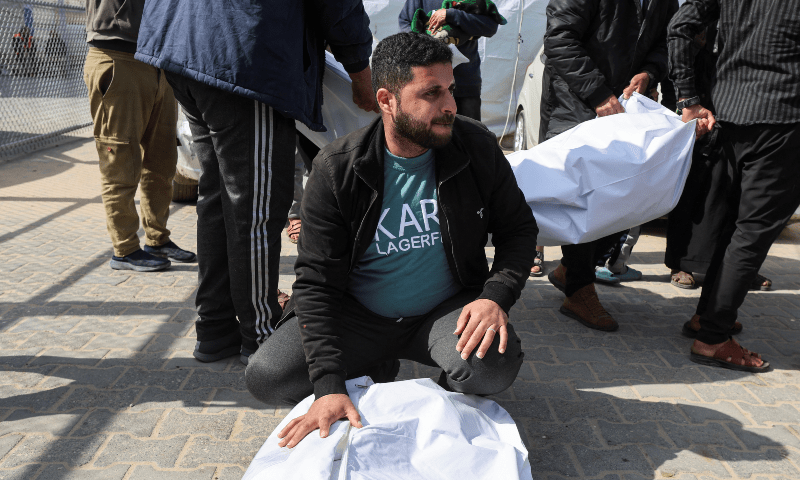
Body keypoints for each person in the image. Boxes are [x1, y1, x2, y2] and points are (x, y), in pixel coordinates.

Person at [245, 33, 537, 447]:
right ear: (386, 100)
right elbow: (316, 284)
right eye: (431, 93)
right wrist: (328, 386)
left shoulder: (476, 147)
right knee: (268, 377)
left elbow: (518, 229)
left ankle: (444, 402)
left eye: (450, 89)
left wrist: (495, 297)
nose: (450, 106)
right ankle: (374, 364)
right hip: (357, 315)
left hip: (442, 311)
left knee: (491, 369)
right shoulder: (337, 169)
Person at [135, 0, 377, 365]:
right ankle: (262, 335)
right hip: (244, 51)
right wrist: (360, 71)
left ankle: (215, 328)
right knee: (256, 205)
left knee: (219, 195)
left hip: (181, 40)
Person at [668, 0, 799, 372]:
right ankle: (712, 338)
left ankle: (707, 318)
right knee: (750, 232)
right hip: (782, 118)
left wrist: (688, 98)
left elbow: (680, 27)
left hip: (732, 111)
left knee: (732, 226)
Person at [539, 0, 678, 332]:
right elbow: (559, 38)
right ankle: (579, 290)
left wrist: (650, 73)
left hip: (625, 107)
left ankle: (571, 270)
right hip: (575, 101)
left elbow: (666, 42)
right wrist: (598, 93)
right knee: (583, 197)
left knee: (623, 197)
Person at [83, 0, 195, 273]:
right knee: (120, 165)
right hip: (117, 56)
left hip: (158, 62)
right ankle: (124, 249)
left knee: (162, 163)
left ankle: (157, 239)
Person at [664, 25, 772, 293]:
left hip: (750, 96)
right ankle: (682, 263)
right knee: (698, 187)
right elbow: (680, 36)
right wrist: (688, 98)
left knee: (742, 194)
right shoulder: (706, 15)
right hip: (705, 93)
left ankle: (738, 267)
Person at [399, 0, 502, 122]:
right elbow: (405, 22)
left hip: (465, 83)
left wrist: (451, 15)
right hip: (430, 83)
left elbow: (490, 26)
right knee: (432, 131)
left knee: (470, 131)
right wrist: (425, 43)